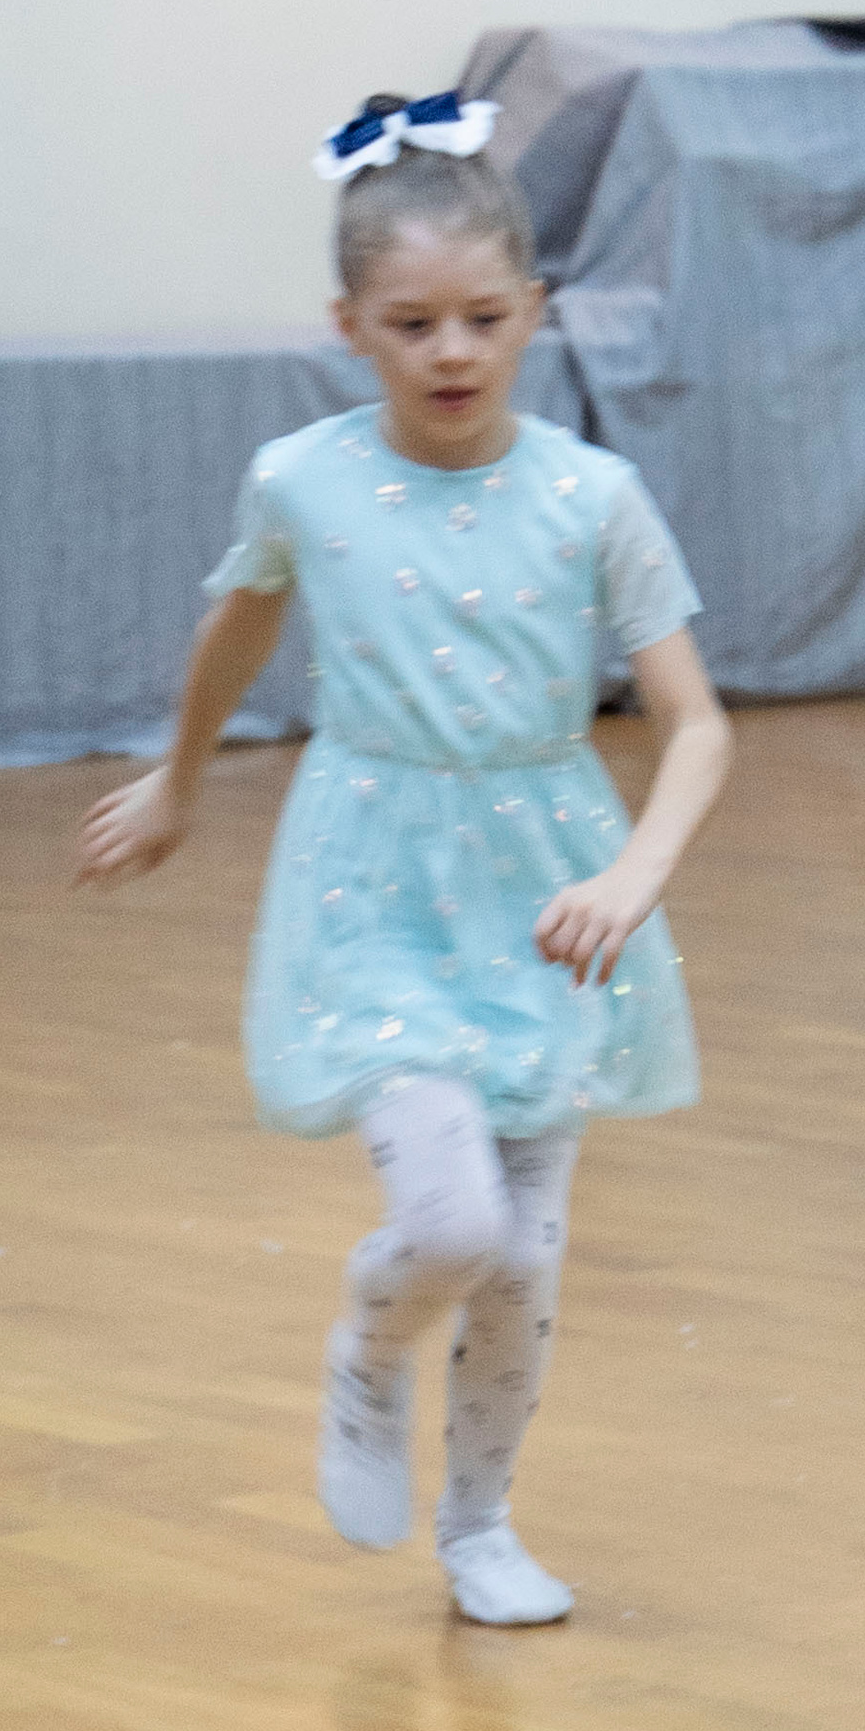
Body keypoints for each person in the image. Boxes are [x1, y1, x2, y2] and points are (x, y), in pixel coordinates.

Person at [76, 91, 732, 1626]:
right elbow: (239, 622)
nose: (452, 351)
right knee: (450, 1222)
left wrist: (633, 877)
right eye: (413, 322)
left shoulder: (592, 496)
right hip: (373, 884)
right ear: (350, 324)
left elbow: (698, 724)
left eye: (484, 319)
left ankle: (482, 1527)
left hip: (547, 894)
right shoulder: (301, 481)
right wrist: (176, 780)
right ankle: (369, 1355)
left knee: (522, 1263)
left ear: (535, 317)